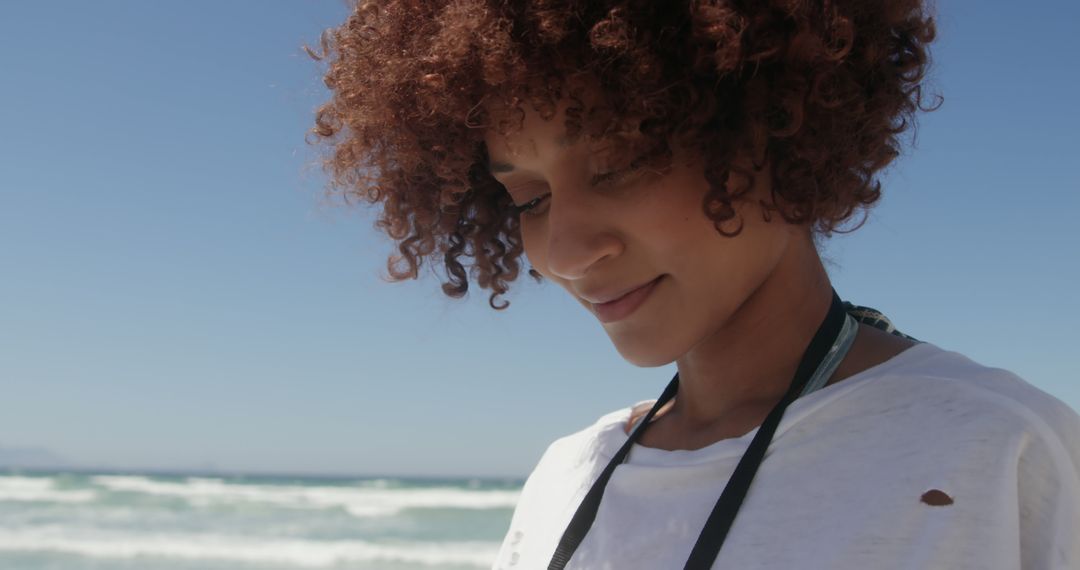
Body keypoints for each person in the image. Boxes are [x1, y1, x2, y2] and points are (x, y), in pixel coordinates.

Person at [305, 1, 1080, 568]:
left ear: (775, 122)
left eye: (618, 164)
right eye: (528, 199)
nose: (566, 251)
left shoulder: (1001, 447)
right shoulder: (569, 475)